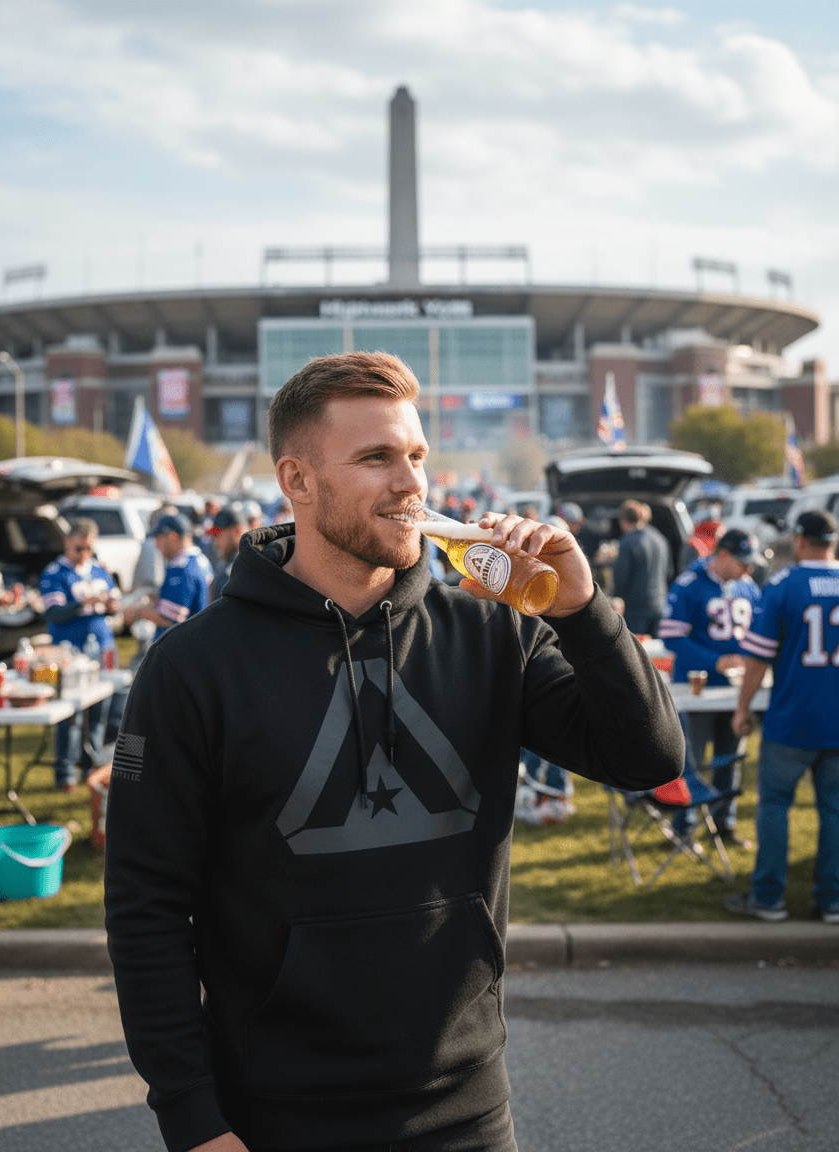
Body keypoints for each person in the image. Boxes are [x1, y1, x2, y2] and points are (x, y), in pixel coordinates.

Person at [104, 351, 684, 1152]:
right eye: (376, 458)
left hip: (468, 1108)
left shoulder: (494, 631)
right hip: (271, 1114)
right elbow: (146, 908)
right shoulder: (193, 668)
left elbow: (648, 758)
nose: (411, 482)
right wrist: (193, 1119)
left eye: (415, 455)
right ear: (298, 482)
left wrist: (583, 610)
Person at [727, 509, 839, 923]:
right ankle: (832, 900)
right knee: (835, 811)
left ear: (799, 540)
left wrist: (742, 708)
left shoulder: (783, 585)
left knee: (774, 806)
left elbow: (756, 660)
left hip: (793, 717)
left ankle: (769, 897)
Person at [658, 528, 762, 846]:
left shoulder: (747, 586)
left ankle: (724, 823)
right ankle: (684, 825)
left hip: (736, 689)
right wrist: (714, 661)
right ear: (724, 555)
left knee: (731, 757)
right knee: (691, 757)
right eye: (744, 561)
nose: (750, 569)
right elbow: (672, 636)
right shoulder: (689, 584)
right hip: (697, 687)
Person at [39, 518, 120, 790]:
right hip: (70, 650)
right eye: (78, 548)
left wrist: (111, 604)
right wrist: (82, 603)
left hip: (102, 645)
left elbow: (115, 602)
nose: (84, 554)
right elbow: (53, 612)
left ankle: (91, 767)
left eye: (88, 548)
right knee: (70, 714)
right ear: (66, 543)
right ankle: (65, 773)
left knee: (99, 712)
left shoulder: (98, 569)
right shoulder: (54, 572)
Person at [123, 512, 213, 640]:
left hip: (182, 645)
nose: (156, 545)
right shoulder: (200, 559)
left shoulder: (182, 567)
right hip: (198, 638)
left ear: (172, 536)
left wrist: (138, 612)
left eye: (158, 538)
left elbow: (172, 618)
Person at [611, 499, 670, 636]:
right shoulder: (660, 539)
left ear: (623, 520)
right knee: (657, 654)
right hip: (659, 604)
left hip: (635, 609)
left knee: (635, 653)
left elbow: (621, 579)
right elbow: (669, 572)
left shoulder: (626, 543)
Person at [206, 503, 259, 602]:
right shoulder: (230, 563)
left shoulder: (239, 569)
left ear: (237, 531)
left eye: (219, 535)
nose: (215, 542)